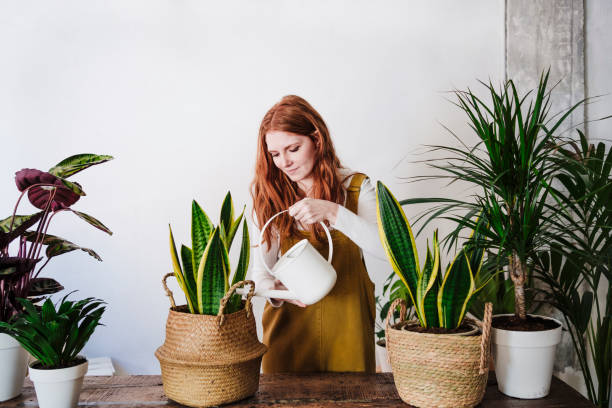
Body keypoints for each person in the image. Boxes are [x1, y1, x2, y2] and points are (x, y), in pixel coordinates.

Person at [249, 95, 386, 374]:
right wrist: (276, 293)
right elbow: (259, 274)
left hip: (348, 326)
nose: (284, 162)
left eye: (293, 148)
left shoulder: (357, 187)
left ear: (317, 140)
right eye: (275, 154)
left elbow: (386, 250)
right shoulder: (272, 197)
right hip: (288, 329)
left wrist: (334, 212)